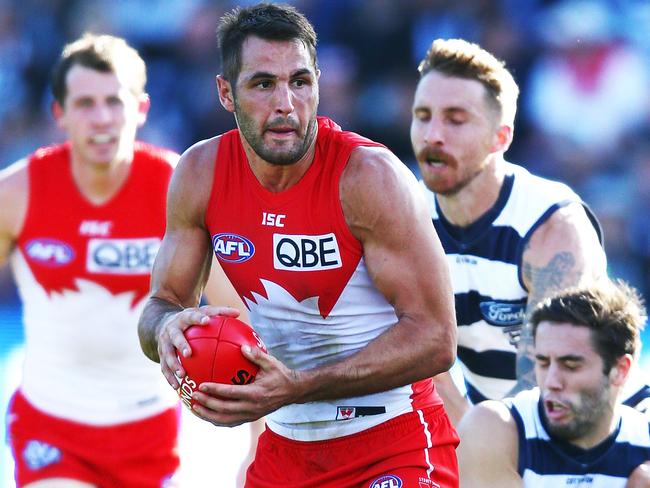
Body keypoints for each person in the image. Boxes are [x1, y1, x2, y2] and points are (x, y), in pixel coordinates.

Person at [138, 3, 459, 488]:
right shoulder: (199, 173)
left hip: (392, 442)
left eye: (300, 82)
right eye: (263, 84)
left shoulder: (369, 177)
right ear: (226, 92)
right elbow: (160, 306)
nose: (286, 103)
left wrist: (298, 386)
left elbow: (437, 338)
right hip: (284, 449)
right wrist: (165, 330)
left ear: (318, 84)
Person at [0, 33, 249, 487]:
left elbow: (244, 317)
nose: (101, 119)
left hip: (150, 437)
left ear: (141, 108)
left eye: (114, 102)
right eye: (85, 104)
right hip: (49, 431)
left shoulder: (178, 187)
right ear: (60, 114)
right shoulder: (16, 193)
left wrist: (256, 443)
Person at [410, 38, 649, 424]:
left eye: (456, 119)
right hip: (488, 429)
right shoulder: (406, 215)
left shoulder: (551, 226)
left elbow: (555, 380)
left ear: (501, 137)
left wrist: (484, 449)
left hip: (601, 427)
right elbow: (417, 357)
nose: (433, 134)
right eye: (423, 116)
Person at [456, 280, 650, 487]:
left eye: (571, 365)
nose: (551, 381)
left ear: (620, 370)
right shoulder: (492, 427)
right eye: (543, 363)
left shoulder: (644, 442)